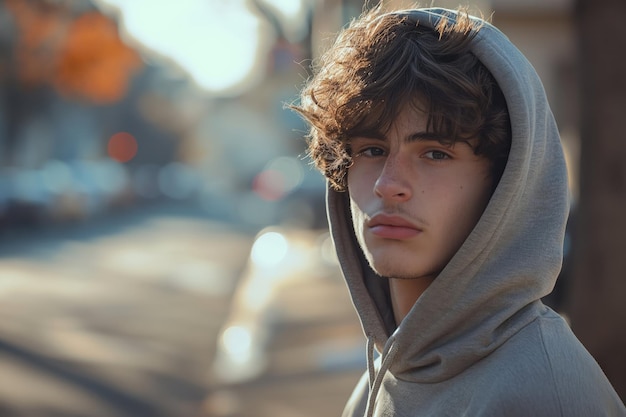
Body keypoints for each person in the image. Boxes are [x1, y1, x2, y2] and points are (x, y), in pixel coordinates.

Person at [291, 4, 626, 417]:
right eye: (372, 150)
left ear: (503, 181)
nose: (388, 184)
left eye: (435, 153)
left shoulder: (543, 392)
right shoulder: (385, 376)